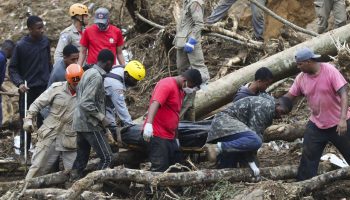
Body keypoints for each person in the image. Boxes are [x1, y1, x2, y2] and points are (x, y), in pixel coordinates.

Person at [283, 47, 350, 181]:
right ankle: (303, 187)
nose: (298, 67)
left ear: (308, 61)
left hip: (339, 123)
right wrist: (279, 104)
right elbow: (290, 95)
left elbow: (344, 94)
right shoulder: (301, 78)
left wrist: (342, 119)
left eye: (300, 64)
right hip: (317, 125)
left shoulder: (330, 71)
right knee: (308, 156)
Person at [205, 95, 292, 176]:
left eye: (283, 115)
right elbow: (253, 139)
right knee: (256, 141)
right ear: (277, 104)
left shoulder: (269, 108)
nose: (281, 116)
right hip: (225, 123)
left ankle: (220, 174)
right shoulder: (266, 106)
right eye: (282, 112)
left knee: (228, 170)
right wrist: (252, 162)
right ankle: (216, 148)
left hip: (229, 128)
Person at [23, 64, 84, 179]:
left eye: (79, 82)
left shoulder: (86, 94)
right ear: (68, 79)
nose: (76, 85)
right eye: (74, 82)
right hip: (50, 133)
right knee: (37, 168)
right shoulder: (56, 88)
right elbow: (37, 104)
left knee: (73, 172)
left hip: (70, 136)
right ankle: (26, 192)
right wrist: (29, 118)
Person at [143, 69, 202, 173]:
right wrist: (149, 124)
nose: (191, 89)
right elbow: (155, 103)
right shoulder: (167, 84)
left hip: (170, 136)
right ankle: (154, 189)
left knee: (176, 167)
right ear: (185, 80)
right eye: (191, 86)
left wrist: (176, 138)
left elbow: (175, 114)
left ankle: (174, 189)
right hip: (158, 134)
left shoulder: (181, 91)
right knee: (159, 168)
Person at [9, 15, 52, 154]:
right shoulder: (21, 46)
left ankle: (43, 149)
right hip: (28, 89)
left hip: (44, 87)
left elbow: (48, 63)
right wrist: (19, 83)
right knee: (26, 121)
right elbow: (13, 68)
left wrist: (50, 79)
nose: (42, 30)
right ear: (30, 29)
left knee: (44, 119)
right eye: (39, 28)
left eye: (42, 27)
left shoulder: (45, 42)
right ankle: (24, 151)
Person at [71, 49, 115, 178]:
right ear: (108, 63)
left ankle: (73, 183)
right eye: (111, 65)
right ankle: (94, 185)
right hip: (90, 124)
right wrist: (102, 117)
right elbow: (86, 102)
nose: (111, 67)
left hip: (80, 122)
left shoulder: (87, 71)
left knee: (81, 158)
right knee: (107, 158)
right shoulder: (96, 76)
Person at [174, 0, 209, 121]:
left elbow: (199, 23)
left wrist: (192, 40)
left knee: (198, 69)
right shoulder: (186, 2)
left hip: (190, 42)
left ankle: (196, 87)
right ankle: (187, 110)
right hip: (181, 41)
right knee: (182, 70)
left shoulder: (195, 2)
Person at [104, 60, 146, 132]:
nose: (136, 83)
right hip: (99, 105)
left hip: (106, 99)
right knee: (111, 129)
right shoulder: (116, 85)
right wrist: (130, 125)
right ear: (126, 74)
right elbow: (121, 107)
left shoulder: (123, 69)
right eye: (134, 80)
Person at [0, 40, 15, 127]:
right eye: (13, 51)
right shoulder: (1, 59)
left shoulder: (1, 58)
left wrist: (7, 76)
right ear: (9, 50)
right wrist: (7, 92)